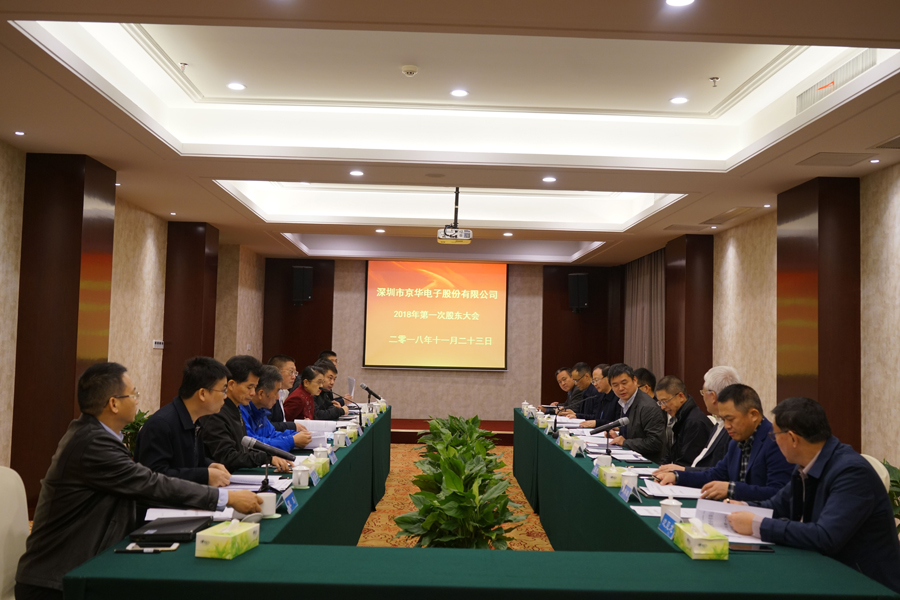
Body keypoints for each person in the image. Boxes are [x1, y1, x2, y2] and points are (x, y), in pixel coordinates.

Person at [15, 363, 261, 600]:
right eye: (133, 395)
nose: (137, 400)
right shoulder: (92, 443)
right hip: (56, 581)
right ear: (113, 404)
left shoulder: (98, 435)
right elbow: (150, 482)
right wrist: (226, 497)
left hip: (84, 564)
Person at [726, 398, 900, 594]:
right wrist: (743, 507)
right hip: (825, 570)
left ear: (792, 439)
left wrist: (757, 524)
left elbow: (825, 537)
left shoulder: (852, 473)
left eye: (775, 436)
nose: (774, 441)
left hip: (866, 585)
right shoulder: (806, 465)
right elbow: (777, 506)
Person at [657, 383, 792, 501]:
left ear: (753, 415)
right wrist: (677, 476)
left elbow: (778, 493)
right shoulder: (735, 442)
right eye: (723, 420)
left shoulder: (776, 441)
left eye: (730, 419)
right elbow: (715, 474)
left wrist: (732, 489)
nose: (726, 426)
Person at [135, 356, 232, 485]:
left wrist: (209, 465)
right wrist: (204, 475)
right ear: (202, 394)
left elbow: (190, 462)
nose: (225, 396)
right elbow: (154, 476)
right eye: (223, 390)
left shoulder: (194, 420)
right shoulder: (160, 424)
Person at [199, 355, 293, 473]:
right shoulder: (216, 412)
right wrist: (265, 458)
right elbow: (227, 456)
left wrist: (271, 456)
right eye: (249, 387)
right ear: (231, 385)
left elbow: (244, 449)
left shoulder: (237, 408)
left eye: (254, 387)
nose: (253, 393)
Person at [653, 366, 739, 476]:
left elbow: (717, 471)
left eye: (703, 392)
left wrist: (680, 473)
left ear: (713, 396)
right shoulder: (718, 423)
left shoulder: (697, 423)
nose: (662, 407)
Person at [241, 365, 312, 451]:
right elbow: (254, 443)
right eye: (276, 392)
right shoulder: (242, 411)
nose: (278, 397)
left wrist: (296, 434)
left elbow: (271, 434)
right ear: (261, 394)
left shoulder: (260, 410)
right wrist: (291, 440)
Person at [606, 363, 666, 463]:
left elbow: (655, 442)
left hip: (646, 463)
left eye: (624, 383)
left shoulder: (648, 406)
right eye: (615, 385)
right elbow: (634, 433)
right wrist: (618, 438)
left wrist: (625, 442)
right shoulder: (625, 401)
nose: (620, 388)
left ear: (634, 380)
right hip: (629, 457)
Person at [655, 376, 713, 467]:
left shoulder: (695, 422)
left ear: (681, 397)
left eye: (664, 401)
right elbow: (672, 455)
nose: (662, 407)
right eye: (660, 403)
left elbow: (687, 463)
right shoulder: (682, 417)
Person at [266, 354, 298, 431]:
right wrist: (292, 426)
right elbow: (266, 426)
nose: (294, 377)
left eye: (295, 373)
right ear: (276, 372)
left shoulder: (282, 392)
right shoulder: (267, 394)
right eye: (291, 372)